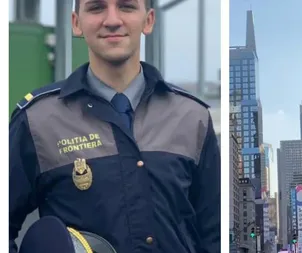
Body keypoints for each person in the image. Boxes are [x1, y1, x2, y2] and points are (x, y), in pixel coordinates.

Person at [9, 0, 221, 252]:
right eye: (97, 7)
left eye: (126, 6)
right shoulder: (37, 120)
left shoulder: (191, 116)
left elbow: (214, 233)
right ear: (77, 23)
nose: (112, 20)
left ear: (149, 20)